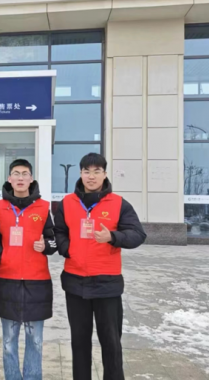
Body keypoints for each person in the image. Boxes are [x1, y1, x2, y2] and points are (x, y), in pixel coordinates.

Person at [54, 153, 147, 380]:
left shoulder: (119, 203)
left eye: (97, 171)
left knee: (111, 343)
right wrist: (68, 249)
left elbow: (137, 234)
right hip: (75, 283)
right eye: (87, 171)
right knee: (79, 343)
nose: (91, 176)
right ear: (80, 174)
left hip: (107, 284)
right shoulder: (67, 203)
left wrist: (113, 237)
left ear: (105, 174)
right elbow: (59, 232)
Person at [0, 159, 57, 380]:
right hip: (6, 280)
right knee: (9, 342)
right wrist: (0, 255)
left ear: (31, 179)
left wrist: (46, 246)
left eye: (25, 173)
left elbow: (54, 239)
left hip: (37, 282)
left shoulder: (44, 207)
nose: (20, 178)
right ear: (9, 178)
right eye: (16, 174)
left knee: (35, 341)